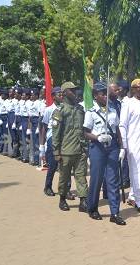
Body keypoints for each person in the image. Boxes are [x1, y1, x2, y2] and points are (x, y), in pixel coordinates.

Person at [84, 82, 125, 225]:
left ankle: (115, 212)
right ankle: (93, 208)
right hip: (98, 147)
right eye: (103, 94)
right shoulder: (91, 112)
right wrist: (98, 137)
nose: (106, 96)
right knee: (97, 178)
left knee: (113, 179)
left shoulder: (113, 110)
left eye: (107, 93)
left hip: (112, 146)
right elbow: (85, 133)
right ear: (96, 96)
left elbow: (117, 129)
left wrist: (122, 147)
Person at [52, 81, 88, 212]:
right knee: (64, 177)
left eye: (75, 90)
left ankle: (83, 201)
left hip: (80, 149)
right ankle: (62, 199)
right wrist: (56, 151)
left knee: (81, 176)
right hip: (65, 151)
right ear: (65, 93)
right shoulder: (60, 111)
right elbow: (56, 133)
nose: (75, 92)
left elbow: (84, 129)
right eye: (72, 90)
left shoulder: (80, 109)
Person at [119, 78, 140, 214]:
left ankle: (132, 197)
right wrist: (124, 145)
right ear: (133, 89)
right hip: (133, 144)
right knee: (136, 172)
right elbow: (122, 125)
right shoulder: (128, 104)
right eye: (139, 87)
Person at [40, 86, 72, 197]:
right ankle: (47, 187)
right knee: (53, 166)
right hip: (52, 140)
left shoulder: (66, 108)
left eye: (63, 94)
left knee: (66, 166)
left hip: (64, 140)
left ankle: (66, 190)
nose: (62, 96)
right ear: (53, 97)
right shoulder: (49, 110)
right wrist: (42, 145)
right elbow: (44, 127)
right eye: (59, 95)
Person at [117, 79, 131, 189]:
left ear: (125, 90)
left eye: (119, 89)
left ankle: (126, 180)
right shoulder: (117, 101)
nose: (117, 90)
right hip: (118, 132)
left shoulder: (128, 102)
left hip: (127, 133)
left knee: (125, 158)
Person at [26, 88, 41, 165]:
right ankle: (34, 159)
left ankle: (37, 160)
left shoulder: (39, 103)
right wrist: (28, 127)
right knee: (32, 142)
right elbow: (29, 116)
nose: (31, 96)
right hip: (31, 121)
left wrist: (38, 127)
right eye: (31, 95)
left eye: (33, 95)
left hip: (36, 121)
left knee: (37, 142)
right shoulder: (30, 103)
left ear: (36, 96)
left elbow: (39, 115)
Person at [19, 89, 30, 163]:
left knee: (27, 140)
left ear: (28, 96)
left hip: (27, 120)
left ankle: (27, 157)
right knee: (23, 139)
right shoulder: (23, 102)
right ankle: (24, 156)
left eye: (24, 95)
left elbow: (29, 116)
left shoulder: (29, 103)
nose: (22, 96)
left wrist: (29, 127)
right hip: (22, 120)